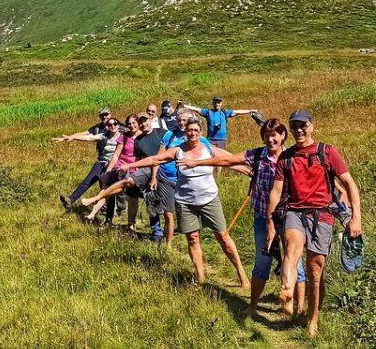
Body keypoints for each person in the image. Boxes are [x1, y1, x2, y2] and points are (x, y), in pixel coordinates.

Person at [189, 118, 306, 318]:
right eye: (267, 135)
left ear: (283, 135)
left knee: (295, 262)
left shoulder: (291, 156)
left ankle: (300, 311)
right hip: (262, 217)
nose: (271, 139)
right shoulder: (258, 155)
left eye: (275, 135)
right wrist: (199, 162)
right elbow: (227, 160)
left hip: (289, 218)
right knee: (262, 261)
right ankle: (252, 306)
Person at [266, 110, 364, 337]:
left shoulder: (327, 152)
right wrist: (271, 223)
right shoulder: (286, 157)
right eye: (294, 126)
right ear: (289, 129)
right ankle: (288, 289)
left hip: (322, 215)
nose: (299, 130)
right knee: (292, 246)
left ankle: (313, 318)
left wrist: (355, 217)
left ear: (311, 126)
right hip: (294, 212)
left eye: (303, 125)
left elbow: (350, 183)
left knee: (315, 270)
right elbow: (276, 192)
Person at [130, 110, 249, 287]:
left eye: (195, 130)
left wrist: (248, 170)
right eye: (189, 130)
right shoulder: (178, 150)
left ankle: (241, 274)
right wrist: (131, 165)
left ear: (201, 132)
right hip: (185, 202)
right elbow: (155, 159)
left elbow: (227, 160)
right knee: (193, 238)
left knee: (222, 236)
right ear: (185, 132)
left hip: (209, 199)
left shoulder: (207, 147)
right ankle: (201, 279)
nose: (192, 133)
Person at [54, 108, 121, 212]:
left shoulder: (123, 135)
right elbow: (88, 137)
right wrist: (72, 137)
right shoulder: (103, 134)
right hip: (101, 162)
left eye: (115, 124)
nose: (112, 126)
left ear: (118, 124)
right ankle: (70, 200)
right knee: (88, 180)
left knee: (107, 189)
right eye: (110, 124)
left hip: (113, 165)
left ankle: (110, 214)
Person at [85, 113, 143, 226]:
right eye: (129, 124)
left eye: (134, 123)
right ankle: (92, 214)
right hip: (119, 168)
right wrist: (108, 171)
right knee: (107, 190)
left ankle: (131, 224)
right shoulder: (124, 136)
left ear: (138, 123)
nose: (131, 126)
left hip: (134, 170)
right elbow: (116, 155)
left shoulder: (143, 137)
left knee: (132, 199)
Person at [185, 96, 261, 147]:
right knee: (210, 157)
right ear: (213, 103)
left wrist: (250, 111)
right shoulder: (208, 112)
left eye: (218, 102)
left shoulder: (225, 112)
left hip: (222, 139)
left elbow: (238, 112)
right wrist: (184, 106)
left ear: (221, 103)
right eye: (215, 102)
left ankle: (218, 172)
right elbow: (196, 109)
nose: (216, 104)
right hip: (210, 139)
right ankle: (211, 171)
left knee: (221, 158)